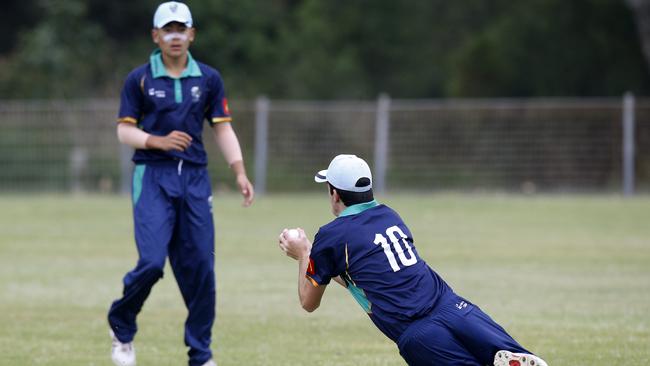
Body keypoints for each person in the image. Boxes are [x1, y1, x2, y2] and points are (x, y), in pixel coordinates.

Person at [277, 154, 548, 366]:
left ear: (334, 193)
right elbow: (360, 274)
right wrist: (316, 255)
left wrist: (304, 255)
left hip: (417, 333)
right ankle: (509, 357)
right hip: (453, 306)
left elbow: (308, 301)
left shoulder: (332, 235)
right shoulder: (390, 215)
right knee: (507, 354)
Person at [107, 2, 254, 366]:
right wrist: (157, 141)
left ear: (192, 34)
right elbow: (124, 130)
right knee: (153, 263)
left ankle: (201, 355)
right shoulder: (139, 78)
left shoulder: (208, 78)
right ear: (156, 36)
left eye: (181, 29)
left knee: (202, 269)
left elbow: (222, 126)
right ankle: (121, 325)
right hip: (152, 177)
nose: (175, 36)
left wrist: (239, 171)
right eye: (167, 30)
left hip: (195, 180)